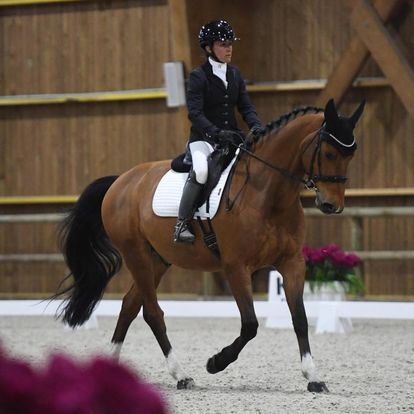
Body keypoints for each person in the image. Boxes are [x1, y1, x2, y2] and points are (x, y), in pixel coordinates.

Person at [173, 19, 263, 244]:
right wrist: (215, 132)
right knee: (202, 171)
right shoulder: (198, 76)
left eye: (230, 44)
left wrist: (257, 125)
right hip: (203, 140)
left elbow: (245, 106)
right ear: (208, 48)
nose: (229, 48)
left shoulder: (235, 74)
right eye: (223, 44)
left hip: (231, 139)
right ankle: (182, 222)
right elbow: (194, 112)